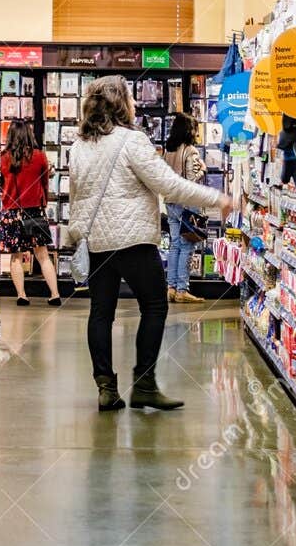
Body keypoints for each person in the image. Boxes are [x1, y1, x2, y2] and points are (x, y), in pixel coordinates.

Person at [66, 76, 233, 412]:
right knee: (155, 306)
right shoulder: (132, 141)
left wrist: (77, 235)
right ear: (121, 103)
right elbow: (170, 186)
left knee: (101, 313)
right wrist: (215, 197)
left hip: (96, 243)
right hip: (133, 241)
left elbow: (76, 198)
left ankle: (106, 388)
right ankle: (144, 385)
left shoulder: (78, 146)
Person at [0, 120, 61, 307]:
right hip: (34, 211)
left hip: (11, 212)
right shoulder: (40, 156)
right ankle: (55, 294)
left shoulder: (4, 158)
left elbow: (1, 184)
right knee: (43, 255)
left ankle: (22, 295)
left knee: (16, 257)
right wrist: (43, 201)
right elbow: (45, 185)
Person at [161, 112, 209, 304]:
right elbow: (191, 179)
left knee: (175, 245)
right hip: (186, 202)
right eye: (195, 128)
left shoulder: (168, 150)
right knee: (187, 245)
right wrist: (203, 169)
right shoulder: (190, 151)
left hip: (170, 200)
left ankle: (171, 287)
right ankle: (182, 289)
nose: (197, 132)